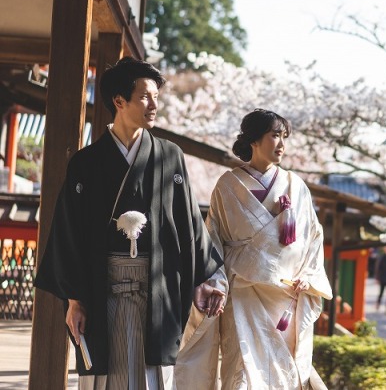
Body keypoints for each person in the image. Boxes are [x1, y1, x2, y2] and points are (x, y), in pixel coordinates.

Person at [34, 57, 224, 389]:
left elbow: (188, 223)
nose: (154, 105)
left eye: (156, 97)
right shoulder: (85, 163)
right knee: (106, 376)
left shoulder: (169, 157)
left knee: (152, 378)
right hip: (101, 291)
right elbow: (68, 233)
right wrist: (75, 300)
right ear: (119, 101)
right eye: (145, 97)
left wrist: (203, 279)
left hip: (156, 293)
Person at [176, 109, 332, 389]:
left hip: (284, 298)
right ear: (254, 140)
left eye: (284, 137)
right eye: (275, 136)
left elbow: (313, 238)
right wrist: (216, 283)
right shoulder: (228, 185)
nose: (281, 144)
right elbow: (212, 240)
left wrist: (308, 276)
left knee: (282, 375)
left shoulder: (296, 186)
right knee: (242, 373)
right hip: (241, 295)